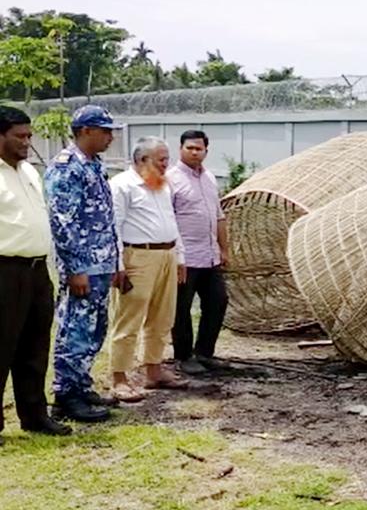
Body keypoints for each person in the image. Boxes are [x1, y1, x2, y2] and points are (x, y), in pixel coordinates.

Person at [45, 105, 123, 422]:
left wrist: (115, 261)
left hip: (101, 263)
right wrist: (76, 267)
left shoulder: (94, 165)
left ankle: (81, 384)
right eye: (105, 130)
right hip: (82, 268)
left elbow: (105, 219)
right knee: (74, 329)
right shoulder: (67, 167)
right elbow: (62, 223)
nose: (110, 137)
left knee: (94, 329)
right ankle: (66, 395)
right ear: (85, 131)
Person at [0, 107, 72, 442]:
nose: (28, 142)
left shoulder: (28, 170)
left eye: (29, 135)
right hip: (4, 270)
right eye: (20, 136)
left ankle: (34, 415)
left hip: (36, 270)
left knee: (34, 346)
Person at [108, 136, 189, 402]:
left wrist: (179, 257)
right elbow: (114, 227)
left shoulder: (163, 186)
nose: (167, 164)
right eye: (161, 159)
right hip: (138, 256)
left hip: (165, 254)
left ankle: (153, 370)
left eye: (167, 159)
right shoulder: (122, 185)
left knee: (163, 316)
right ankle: (119, 377)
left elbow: (171, 221)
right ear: (142, 160)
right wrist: (117, 265)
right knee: (129, 317)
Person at [167, 130, 229, 375]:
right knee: (181, 308)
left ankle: (205, 353)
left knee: (218, 301)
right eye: (189, 148)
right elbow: (167, 219)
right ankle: (183, 356)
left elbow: (219, 215)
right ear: (180, 149)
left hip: (210, 255)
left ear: (206, 151)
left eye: (199, 148)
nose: (194, 152)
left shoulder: (210, 178)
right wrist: (174, 255)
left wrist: (224, 249)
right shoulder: (170, 179)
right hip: (185, 257)